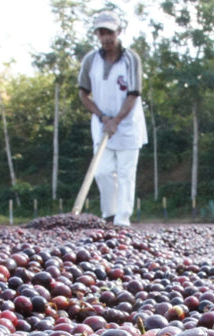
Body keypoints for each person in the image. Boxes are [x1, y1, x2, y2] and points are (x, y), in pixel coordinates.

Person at [78, 10, 148, 226]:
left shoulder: (130, 59)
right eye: (101, 32)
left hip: (127, 125)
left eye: (109, 32)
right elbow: (83, 93)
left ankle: (122, 220)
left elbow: (134, 94)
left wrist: (116, 120)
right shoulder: (90, 60)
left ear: (119, 31)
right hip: (101, 123)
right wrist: (103, 117)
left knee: (126, 173)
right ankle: (109, 215)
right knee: (102, 171)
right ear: (97, 35)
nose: (106, 37)